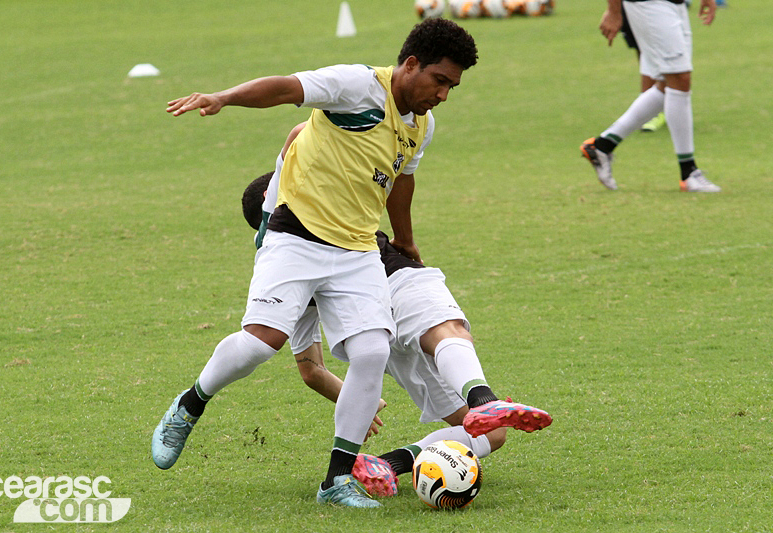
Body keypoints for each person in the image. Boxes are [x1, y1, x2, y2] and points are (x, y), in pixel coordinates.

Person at [151, 18, 479, 509]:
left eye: (453, 86)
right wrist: (222, 97)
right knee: (263, 343)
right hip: (297, 237)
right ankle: (190, 403)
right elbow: (285, 89)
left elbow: (403, 180)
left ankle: (337, 480)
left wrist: (406, 240)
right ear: (410, 65)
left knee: (371, 352)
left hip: (358, 250)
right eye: (440, 80)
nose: (444, 94)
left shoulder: (422, 126)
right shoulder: (357, 86)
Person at [242, 126, 552, 498]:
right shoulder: (333, 211)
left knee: (493, 434)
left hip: (373, 332)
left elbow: (311, 369)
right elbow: (310, 137)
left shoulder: (282, 266)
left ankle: (389, 464)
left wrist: (357, 396)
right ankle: (483, 399)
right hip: (396, 280)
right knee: (447, 330)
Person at [581, 0, 721, 192]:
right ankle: (688, 172)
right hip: (648, 4)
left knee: (667, 83)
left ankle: (602, 146)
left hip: (675, 5)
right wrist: (613, 12)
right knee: (679, 78)